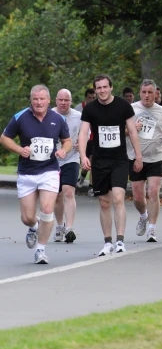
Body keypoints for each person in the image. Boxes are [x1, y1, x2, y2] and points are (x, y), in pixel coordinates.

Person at [0, 85, 72, 264]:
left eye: (42, 99)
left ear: (49, 100)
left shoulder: (58, 119)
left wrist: (64, 150)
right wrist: (19, 149)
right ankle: (34, 226)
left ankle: (40, 250)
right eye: (35, 99)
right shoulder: (20, 117)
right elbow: (4, 138)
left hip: (49, 170)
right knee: (27, 217)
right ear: (31, 100)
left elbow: (68, 141)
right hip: (27, 172)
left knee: (47, 210)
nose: (39, 102)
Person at [78, 74, 143, 256]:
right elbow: (83, 134)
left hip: (119, 160)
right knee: (104, 202)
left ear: (111, 87)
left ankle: (120, 240)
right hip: (99, 161)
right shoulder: (90, 109)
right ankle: (107, 242)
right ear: (95, 90)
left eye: (105, 87)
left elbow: (132, 132)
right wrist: (83, 156)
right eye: (98, 88)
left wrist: (138, 157)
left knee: (118, 198)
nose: (102, 91)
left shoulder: (123, 106)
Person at [127, 79, 162, 243]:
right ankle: (143, 216)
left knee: (153, 192)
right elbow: (121, 130)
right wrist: (131, 129)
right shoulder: (131, 109)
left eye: (150, 92)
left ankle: (152, 229)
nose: (147, 95)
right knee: (138, 198)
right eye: (144, 92)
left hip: (156, 157)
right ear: (139, 93)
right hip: (135, 157)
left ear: (155, 93)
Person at [52, 89, 82, 244]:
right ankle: (59, 226)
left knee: (69, 192)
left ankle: (69, 228)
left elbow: (86, 133)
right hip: (53, 160)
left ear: (71, 101)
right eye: (61, 100)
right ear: (56, 100)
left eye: (67, 100)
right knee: (57, 196)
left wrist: (80, 143)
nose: (63, 103)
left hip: (72, 158)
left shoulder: (78, 116)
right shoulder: (49, 114)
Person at [75, 87, 96, 192]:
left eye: (93, 98)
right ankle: (81, 178)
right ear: (85, 98)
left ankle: (92, 186)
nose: (91, 100)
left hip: (93, 138)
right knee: (83, 161)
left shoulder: (98, 107)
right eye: (89, 98)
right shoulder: (79, 108)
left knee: (92, 161)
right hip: (81, 138)